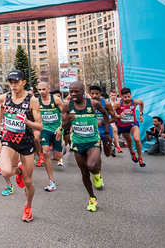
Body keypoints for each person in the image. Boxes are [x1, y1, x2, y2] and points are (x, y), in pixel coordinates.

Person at [0, 70, 43, 222]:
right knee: (5, 171)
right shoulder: (4, 97)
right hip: (8, 139)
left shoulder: (32, 100)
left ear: (23, 82)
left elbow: (40, 126)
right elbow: (1, 108)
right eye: (11, 82)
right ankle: (18, 171)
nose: (13, 85)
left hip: (26, 141)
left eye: (16, 82)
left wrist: (26, 122)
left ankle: (28, 206)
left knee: (28, 181)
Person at [61, 81, 110, 212]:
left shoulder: (93, 104)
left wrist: (106, 131)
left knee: (92, 166)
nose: (73, 94)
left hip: (93, 141)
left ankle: (97, 174)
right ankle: (92, 198)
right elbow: (64, 126)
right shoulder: (66, 106)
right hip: (77, 142)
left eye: (76, 91)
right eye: (71, 91)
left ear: (83, 92)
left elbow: (105, 114)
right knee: (84, 172)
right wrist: (68, 121)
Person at [36, 82, 65, 192]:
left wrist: (61, 128)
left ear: (48, 88)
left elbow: (65, 115)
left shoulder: (56, 100)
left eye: (43, 89)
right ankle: (51, 181)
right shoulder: (36, 101)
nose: (41, 92)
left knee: (57, 157)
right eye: (39, 90)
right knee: (46, 152)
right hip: (45, 130)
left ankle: (63, 149)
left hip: (57, 130)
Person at [113, 87, 146, 167]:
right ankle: (132, 152)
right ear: (121, 96)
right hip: (123, 125)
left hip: (133, 123)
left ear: (131, 95)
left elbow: (141, 103)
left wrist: (140, 115)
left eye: (129, 96)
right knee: (129, 141)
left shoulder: (134, 102)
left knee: (137, 139)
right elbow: (111, 112)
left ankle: (140, 158)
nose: (127, 99)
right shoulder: (118, 103)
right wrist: (118, 115)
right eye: (125, 97)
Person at [89, 85, 117, 157]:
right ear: (89, 94)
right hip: (94, 131)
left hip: (105, 130)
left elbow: (114, 118)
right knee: (96, 152)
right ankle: (97, 167)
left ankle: (112, 146)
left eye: (97, 94)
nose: (94, 95)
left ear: (100, 94)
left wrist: (102, 122)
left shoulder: (106, 103)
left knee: (107, 154)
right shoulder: (87, 103)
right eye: (92, 94)